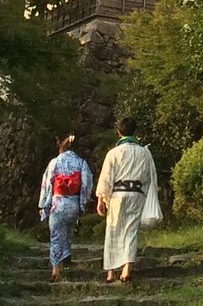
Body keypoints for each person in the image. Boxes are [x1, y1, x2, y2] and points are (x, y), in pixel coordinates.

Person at [95, 116, 161, 283]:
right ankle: (126, 269)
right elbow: (149, 177)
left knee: (113, 231)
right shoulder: (145, 153)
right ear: (135, 132)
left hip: (118, 194)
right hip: (136, 194)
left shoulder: (114, 153)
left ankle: (110, 273)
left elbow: (106, 177)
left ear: (119, 132)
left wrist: (101, 200)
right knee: (130, 231)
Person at [37, 133, 94, 282]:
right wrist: (83, 202)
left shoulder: (54, 162)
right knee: (67, 231)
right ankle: (66, 256)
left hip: (58, 201)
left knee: (56, 235)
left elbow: (47, 184)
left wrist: (43, 204)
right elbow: (87, 183)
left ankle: (56, 268)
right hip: (73, 202)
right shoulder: (81, 163)